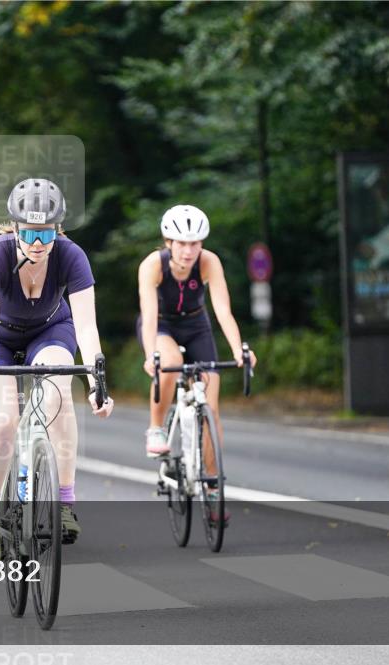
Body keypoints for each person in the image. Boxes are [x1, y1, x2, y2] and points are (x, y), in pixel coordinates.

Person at [0, 178, 114, 562]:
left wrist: (97, 383)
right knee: (3, 422)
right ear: (13, 226)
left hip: (49, 330)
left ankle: (64, 503)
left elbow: (86, 327)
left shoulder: (71, 256)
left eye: (45, 233)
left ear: (57, 229)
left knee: (60, 389)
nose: (36, 242)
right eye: (28, 232)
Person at [137, 204, 257, 520]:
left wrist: (238, 350)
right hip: (161, 325)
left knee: (211, 410)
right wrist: (152, 353)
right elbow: (148, 317)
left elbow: (223, 311)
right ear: (168, 242)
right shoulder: (152, 265)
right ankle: (155, 429)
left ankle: (213, 490)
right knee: (171, 360)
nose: (189, 250)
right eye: (182, 243)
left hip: (195, 325)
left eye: (195, 243)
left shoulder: (209, 262)